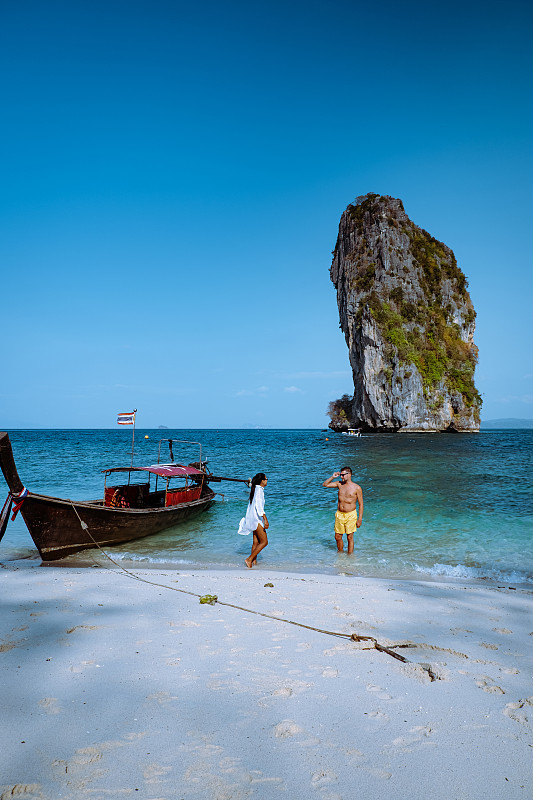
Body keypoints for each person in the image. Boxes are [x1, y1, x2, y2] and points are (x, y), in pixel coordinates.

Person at [322, 467, 363, 554]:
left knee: (350, 537)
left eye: (343, 475)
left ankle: (350, 557)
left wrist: (360, 519)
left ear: (349, 475)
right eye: (340, 475)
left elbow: (361, 504)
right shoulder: (339, 484)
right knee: (337, 536)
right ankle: (340, 554)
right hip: (340, 514)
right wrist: (333, 477)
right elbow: (325, 484)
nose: (341, 477)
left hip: (351, 514)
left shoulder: (357, 488)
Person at [237, 473, 269, 568]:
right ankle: (249, 559)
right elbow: (259, 507)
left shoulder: (255, 489)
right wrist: (265, 519)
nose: (267, 480)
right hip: (256, 519)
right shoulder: (259, 491)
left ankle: (254, 562)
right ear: (262, 481)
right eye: (266, 479)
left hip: (252, 518)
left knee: (256, 542)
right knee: (264, 542)